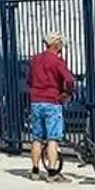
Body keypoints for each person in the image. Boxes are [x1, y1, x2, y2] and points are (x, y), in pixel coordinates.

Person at [27, 31, 76, 182]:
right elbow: (69, 79)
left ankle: (35, 170)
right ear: (57, 45)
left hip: (36, 101)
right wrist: (67, 93)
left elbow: (29, 80)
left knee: (37, 138)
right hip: (52, 101)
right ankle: (52, 172)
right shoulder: (57, 61)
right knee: (52, 138)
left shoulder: (35, 59)